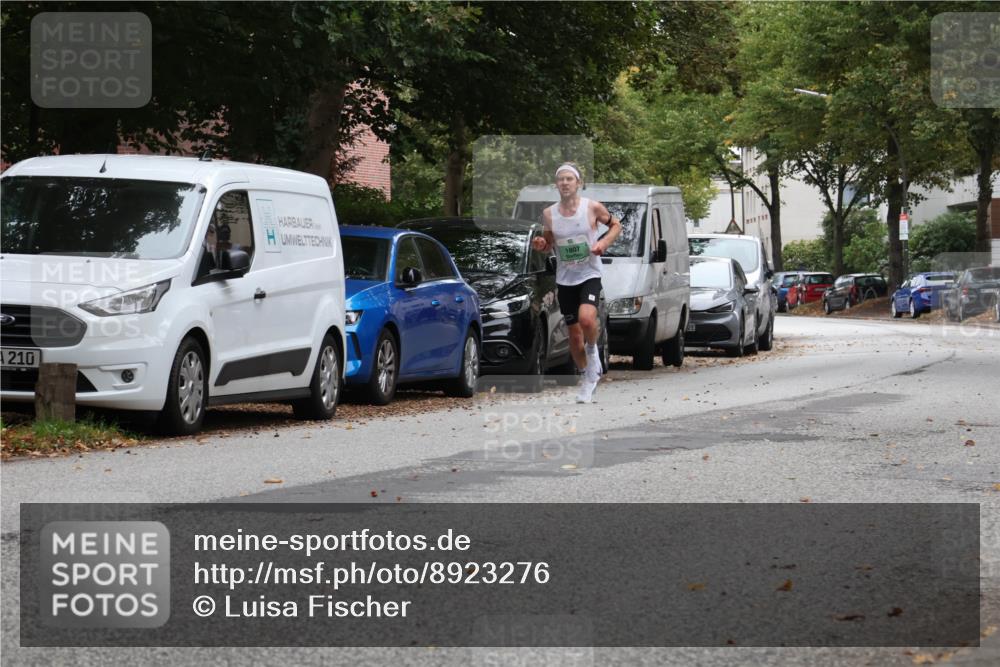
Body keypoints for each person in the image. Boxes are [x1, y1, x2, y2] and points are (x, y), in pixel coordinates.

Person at [532, 162, 621, 403]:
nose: (565, 183)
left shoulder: (591, 207)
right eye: (561, 179)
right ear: (556, 185)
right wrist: (542, 245)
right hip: (565, 279)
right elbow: (548, 243)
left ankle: (593, 352)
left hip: (590, 274)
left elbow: (616, 225)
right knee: (573, 336)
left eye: (569, 179)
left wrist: (603, 243)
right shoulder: (550, 214)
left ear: (578, 183)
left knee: (586, 319)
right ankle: (588, 377)